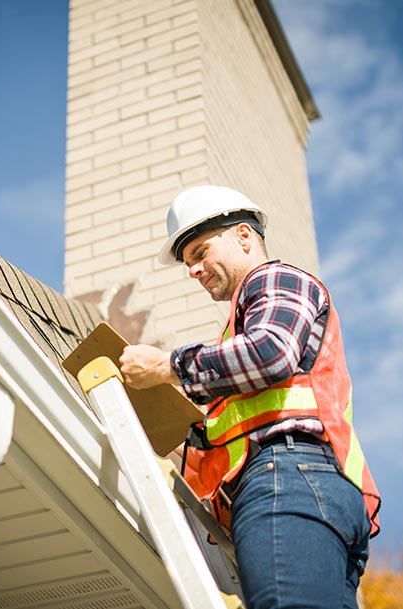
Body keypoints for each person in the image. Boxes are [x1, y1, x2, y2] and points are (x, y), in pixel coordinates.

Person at [119, 185, 380, 609]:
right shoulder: (236, 330)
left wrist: (167, 366)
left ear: (244, 236)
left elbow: (271, 352)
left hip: (289, 478)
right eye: (188, 263)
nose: (194, 270)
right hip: (312, 488)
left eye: (200, 252)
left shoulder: (275, 279)